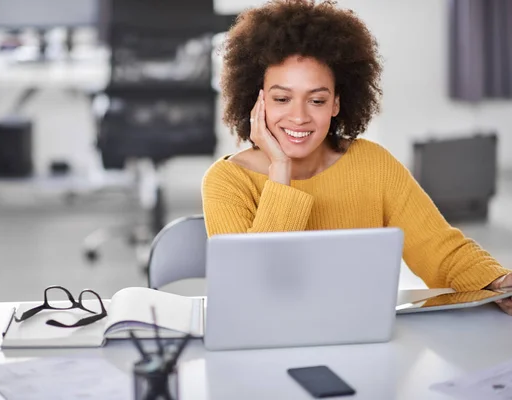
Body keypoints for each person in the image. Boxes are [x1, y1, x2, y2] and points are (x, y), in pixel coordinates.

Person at [201, 0, 512, 314]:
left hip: (367, 341)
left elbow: (440, 251)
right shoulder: (227, 181)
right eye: (282, 98)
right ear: (258, 101)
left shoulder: (372, 164)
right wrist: (280, 170)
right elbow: (250, 290)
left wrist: (498, 281)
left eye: (317, 100)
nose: (299, 117)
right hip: (263, 348)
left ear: (336, 103)